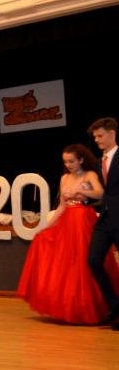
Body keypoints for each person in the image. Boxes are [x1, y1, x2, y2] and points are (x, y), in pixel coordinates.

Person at [18, 143, 119, 324]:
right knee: (66, 266)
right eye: (65, 162)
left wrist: (81, 190)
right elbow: (61, 207)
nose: (68, 165)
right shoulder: (64, 178)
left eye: (71, 161)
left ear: (81, 159)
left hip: (83, 221)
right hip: (67, 222)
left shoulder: (89, 175)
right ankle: (72, 308)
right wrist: (45, 226)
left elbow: (101, 194)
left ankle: (95, 308)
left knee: (85, 264)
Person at [86, 117, 119, 329]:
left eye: (100, 136)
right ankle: (114, 305)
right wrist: (84, 198)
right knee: (93, 260)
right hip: (106, 219)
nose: (97, 140)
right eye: (95, 137)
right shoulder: (100, 162)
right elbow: (104, 192)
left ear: (112, 134)